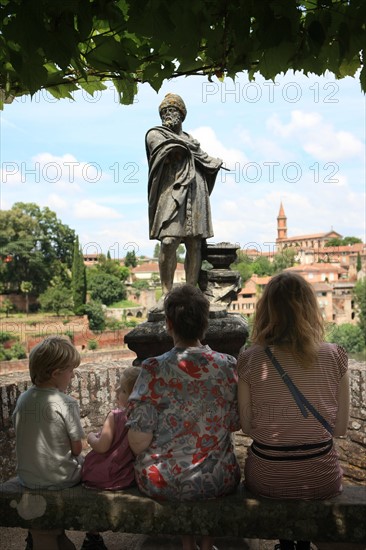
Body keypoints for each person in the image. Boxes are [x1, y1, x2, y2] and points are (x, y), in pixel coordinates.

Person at [237, 272, 350, 550]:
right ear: (311, 309)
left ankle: (287, 545)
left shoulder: (249, 359)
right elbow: (340, 429)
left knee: (278, 476)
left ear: (265, 311)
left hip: (267, 476)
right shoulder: (335, 355)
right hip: (320, 476)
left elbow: (247, 427)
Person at [127, 284, 241, 550]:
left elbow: (138, 442)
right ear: (205, 324)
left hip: (163, 480)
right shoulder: (227, 365)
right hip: (218, 478)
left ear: (168, 324)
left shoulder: (153, 369)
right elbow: (236, 422)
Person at [146, 93, 223, 295]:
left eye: (172, 111)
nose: (167, 115)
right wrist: (192, 151)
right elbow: (170, 150)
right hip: (171, 192)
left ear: (181, 114)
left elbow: (205, 160)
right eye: (164, 112)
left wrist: (214, 162)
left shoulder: (191, 140)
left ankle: (191, 293)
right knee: (169, 241)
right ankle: (166, 293)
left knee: (194, 243)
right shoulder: (155, 134)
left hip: (196, 191)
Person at [13, 335, 84, 550]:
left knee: (50, 536)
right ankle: (93, 536)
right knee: (90, 462)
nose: (72, 376)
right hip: (60, 479)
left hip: (28, 477)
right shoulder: (66, 403)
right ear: (56, 374)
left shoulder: (23, 399)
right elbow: (77, 448)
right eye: (71, 371)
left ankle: (46, 535)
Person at [80, 366, 141, 550]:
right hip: (125, 476)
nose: (116, 391)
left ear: (133, 396)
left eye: (122, 390)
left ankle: (93, 536)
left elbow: (103, 446)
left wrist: (91, 438)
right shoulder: (141, 417)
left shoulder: (115, 416)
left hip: (101, 476)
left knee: (85, 475)